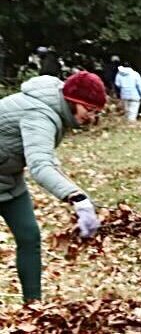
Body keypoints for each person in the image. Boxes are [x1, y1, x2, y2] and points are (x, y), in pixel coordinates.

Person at [0, 72, 105, 303]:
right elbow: (40, 166)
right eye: (89, 109)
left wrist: (78, 194)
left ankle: (33, 307)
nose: (92, 117)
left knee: (29, 236)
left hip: (8, 179)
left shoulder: (54, 108)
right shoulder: (39, 115)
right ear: (73, 100)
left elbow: (47, 159)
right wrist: (77, 199)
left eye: (97, 112)